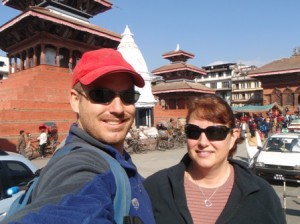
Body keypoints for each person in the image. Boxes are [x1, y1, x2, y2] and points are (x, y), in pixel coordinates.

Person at [4, 48, 155, 224]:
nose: (118, 109)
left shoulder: (117, 159)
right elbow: (67, 210)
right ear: (75, 101)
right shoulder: (80, 166)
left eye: (128, 96)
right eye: (101, 95)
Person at [144, 94, 285, 224]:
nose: (203, 142)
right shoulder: (156, 188)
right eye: (193, 131)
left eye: (216, 132)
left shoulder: (262, 195)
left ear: (233, 136)